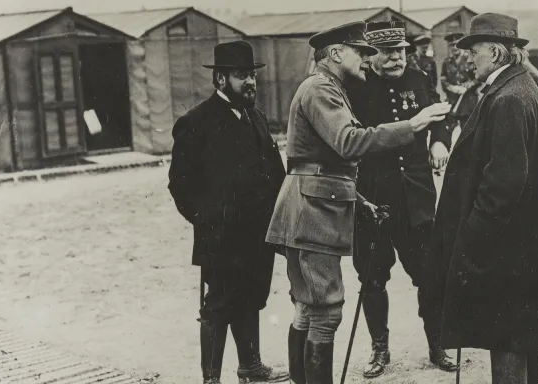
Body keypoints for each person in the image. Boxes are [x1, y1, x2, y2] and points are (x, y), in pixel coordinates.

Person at [264, 21, 451, 384]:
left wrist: (360, 199)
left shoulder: (333, 86)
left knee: (309, 307)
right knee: (326, 310)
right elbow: (348, 143)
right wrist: (412, 126)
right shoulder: (324, 89)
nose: (367, 59)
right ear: (336, 54)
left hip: (337, 204)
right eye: (360, 52)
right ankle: (374, 350)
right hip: (314, 210)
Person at [432, 13, 538, 384]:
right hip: (521, 240)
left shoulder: (509, 97)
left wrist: (472, 234)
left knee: (506, 334)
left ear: (495, 52)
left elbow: (504, 184)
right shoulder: (520, 87)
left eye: (474, 52)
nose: (468, 59)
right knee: (520, 330)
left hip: (504, 243)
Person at [168, 41, 289, 384]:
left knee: (251, 299)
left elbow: (275, 173)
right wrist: (206, 219)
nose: (250, 82)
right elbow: (180, 184)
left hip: (258, 234)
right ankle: (211, 379)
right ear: (220, 79)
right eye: (241, 76)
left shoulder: (257, 118)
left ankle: (250, 368)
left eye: (252, 75)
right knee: (218, 305)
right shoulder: (196, 122)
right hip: (221, 236)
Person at [343, 20, 456, 379]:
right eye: (387, 52)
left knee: (429, 274)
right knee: (372, 278)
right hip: (374, 201)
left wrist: (440, 139)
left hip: (417, 199)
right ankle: (380, 349)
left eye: (400, 50)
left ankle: (436, 344)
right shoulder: (355, 87)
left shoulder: (419, 78)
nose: (396, 58)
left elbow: (440, 114)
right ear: (370, 55)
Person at [440, 32, 472, 107]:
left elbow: (478, 79)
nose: (454, 47)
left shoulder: (470, 59)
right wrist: (452, 88)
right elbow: (443, 81)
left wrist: (468, 85)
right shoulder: (446, 62)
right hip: (452, 101)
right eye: (451, 45)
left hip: (468, 101)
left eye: (457, 44)